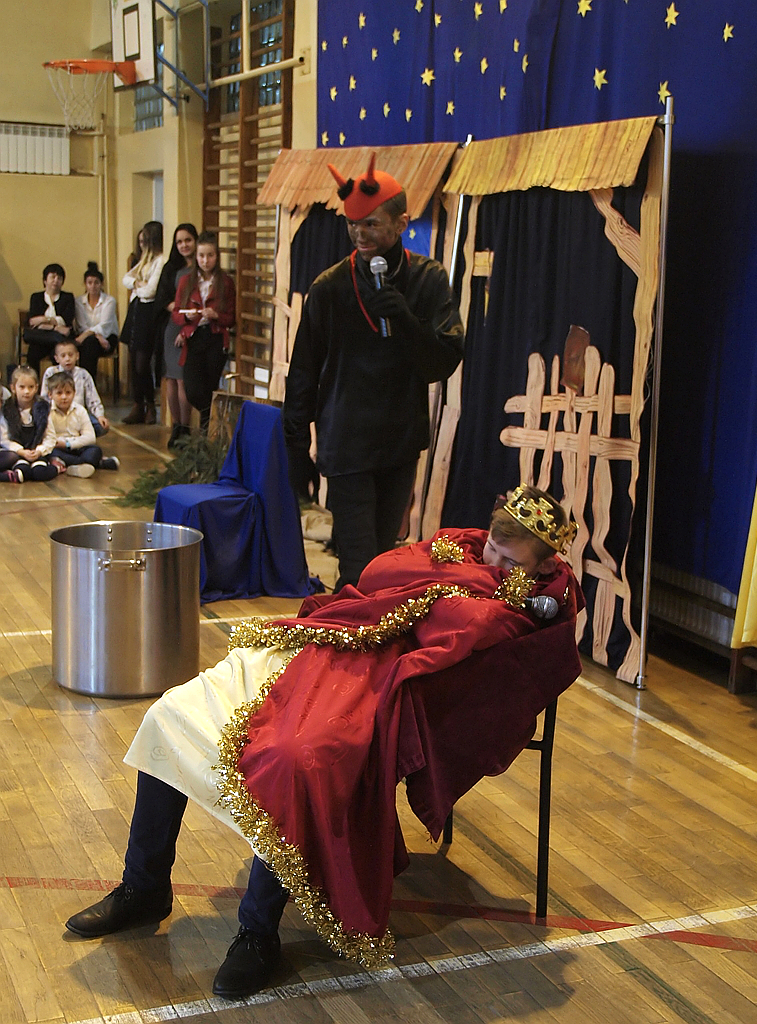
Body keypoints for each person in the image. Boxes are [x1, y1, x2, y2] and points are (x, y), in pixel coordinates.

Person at [64, 485, 582, 1000]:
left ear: (542, 564)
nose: (493, 564)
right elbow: (379, 573)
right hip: (324, 643)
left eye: (510, 561)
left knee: (296, 758)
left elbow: (471, 633)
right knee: (170, 714)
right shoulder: (458, 547)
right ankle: (144, 887)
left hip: (383, 687)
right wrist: (456, 584)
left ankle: (257, 932)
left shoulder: (537, 605)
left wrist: (464, 595)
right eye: (492, 548)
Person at [283, 155, 464, 591]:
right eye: (353, 225)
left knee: (384, 563)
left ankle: (373, 633)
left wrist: (405, 320)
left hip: (399, 440)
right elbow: (303, 371)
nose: (360, 235)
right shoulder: (329, 287)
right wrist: (295, 447)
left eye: (371, 224)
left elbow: (441, 363)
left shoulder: (428, 279)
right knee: (358, 568)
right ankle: (347, 632)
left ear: (401, 224)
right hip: (346, 442)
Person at [171, 231, 235, 433]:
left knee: (209, 386)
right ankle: (213, 423)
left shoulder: (225, 282)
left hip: (215, 338)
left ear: (217, 256)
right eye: (201, 256)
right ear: (196, 257)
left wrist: (216, 315)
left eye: (210, 255)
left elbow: (231, 318)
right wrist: (187, 318)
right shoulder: (186, 281)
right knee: (192, 389)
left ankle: (206, 434)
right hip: (194, 337)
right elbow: (176, 313)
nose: (205, 261)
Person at [154, 223, 198, 448]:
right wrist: (179, 311)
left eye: (188, 240)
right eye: (179, 242)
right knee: (171, 378)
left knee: (183, 379)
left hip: (193, 326)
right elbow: (162, 297)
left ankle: (186, 427)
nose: (184, 245)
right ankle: (176, 426)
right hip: (173, 325)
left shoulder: (201, 267)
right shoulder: (171, 268)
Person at [121, 220, 164, 425]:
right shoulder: (144, 261)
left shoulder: (160, 261)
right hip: (136, 310)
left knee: (142, 363)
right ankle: (138, 404)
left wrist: (138, 287)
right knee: (133, 359)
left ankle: (150, 404)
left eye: (144, 241)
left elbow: (151, 291)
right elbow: (126, 279)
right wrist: (138, 283)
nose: (141, 245)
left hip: (148, 313)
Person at [46, 372, 120, 477]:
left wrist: (68, 444)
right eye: (59, 393)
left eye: (68, 392)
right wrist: (59, 444)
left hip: (78, 447)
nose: (64, 397)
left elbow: (90, 437)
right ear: (50, 395)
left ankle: (74, 466)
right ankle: (96, 463)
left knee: (95, 450)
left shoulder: (80, 410)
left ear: (74, 393)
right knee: (51, 452)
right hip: (58, 449)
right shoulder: (47, 412)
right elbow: (49, 439)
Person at [0, 366, 61, 482]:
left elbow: (50, 437)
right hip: (19, 453)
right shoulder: (8, 410)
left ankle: (57, 467)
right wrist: (21, 451)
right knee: (24, 472)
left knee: (39, 473)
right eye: (22, 387)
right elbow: (4, 438)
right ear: (13, 388)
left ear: (36, 388)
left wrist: (39, 451)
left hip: (37, 451)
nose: (27, 391)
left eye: (31, 387)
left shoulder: (42, 408)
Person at [41, 339, 110, 437]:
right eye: (63, 356)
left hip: (78, 415)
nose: (67, 359)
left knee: (100, 426)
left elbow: (92, 398)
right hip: (56, 414)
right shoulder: (51, 372)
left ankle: (79, 437)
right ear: (56, 358)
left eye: (70, 355)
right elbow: (44, 397)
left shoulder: (83, 374)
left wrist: (100, 415)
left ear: (77, 356)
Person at [23, 263, 76, 375]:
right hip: (41, 339)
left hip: (59, 341)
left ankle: (60, 383)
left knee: (59, 353)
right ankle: (33, 382)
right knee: (33, 352)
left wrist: (43, 320)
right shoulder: (36, 297)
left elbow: (65, 320)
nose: (56, 281)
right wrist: (55, 327)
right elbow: (33, 322)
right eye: (53, 277)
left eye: (59, 278)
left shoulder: (68, 297)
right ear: (45, 280)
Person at [73, 261, 120, 382]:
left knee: (89, 344)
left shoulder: (109, 301)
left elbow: (105, 325)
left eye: (96, 283)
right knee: (90, 343)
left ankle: (87, 383)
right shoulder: (79, 301)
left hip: (107, 337)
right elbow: (82, 326)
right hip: (88, 339)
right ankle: (86, 383)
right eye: (90, 283)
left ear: (101, 284)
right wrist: (96, 336)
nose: (93, 286)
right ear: (85, 284)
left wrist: (94, 335)